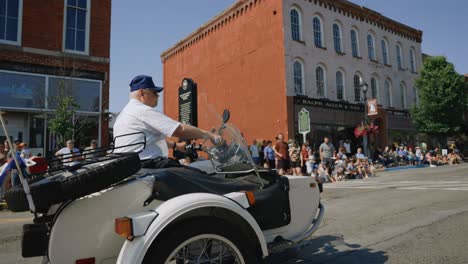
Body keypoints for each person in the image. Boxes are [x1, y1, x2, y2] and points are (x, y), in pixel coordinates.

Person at [113, 75, 220, 168]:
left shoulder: (123, 115)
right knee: (200, 177)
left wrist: (176, 146)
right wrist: (209, 135)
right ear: (142, 93)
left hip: (132, 167)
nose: (158, 96)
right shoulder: (142, 111)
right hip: (150, 165)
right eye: (154, 92)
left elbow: (145, 141)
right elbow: (180, 130)